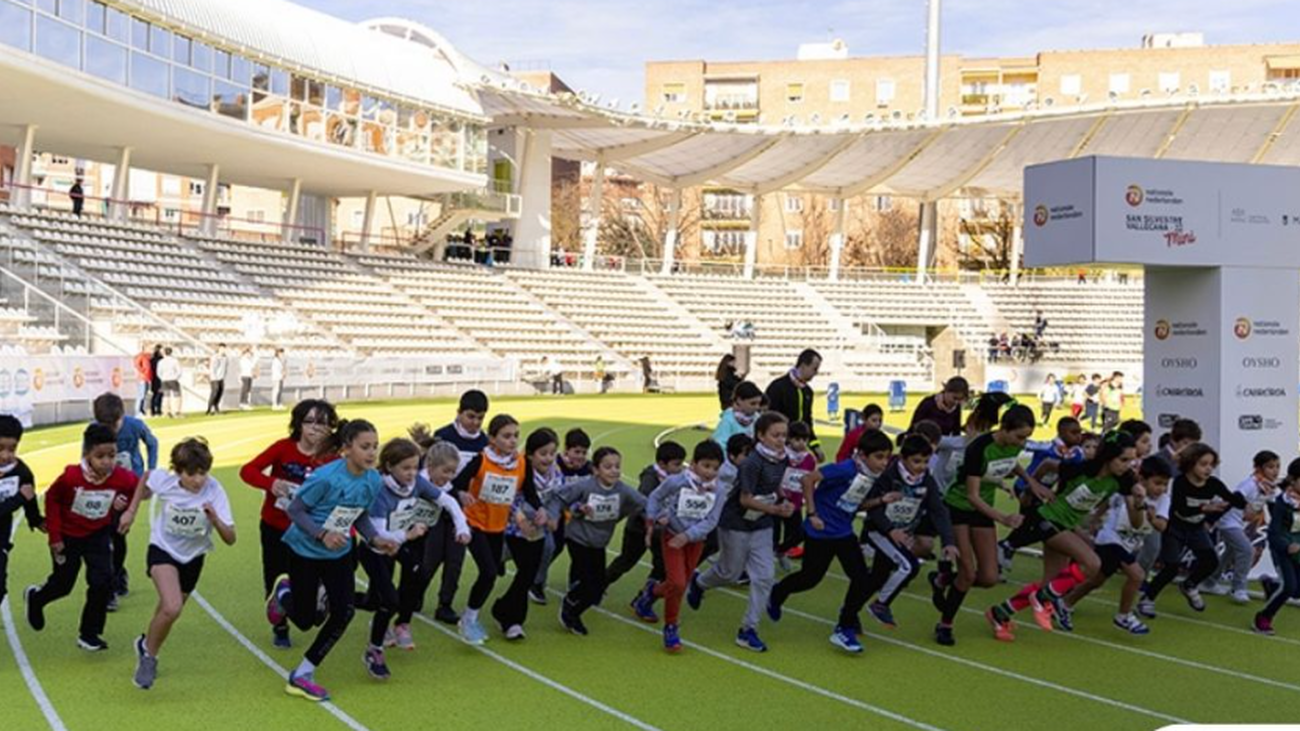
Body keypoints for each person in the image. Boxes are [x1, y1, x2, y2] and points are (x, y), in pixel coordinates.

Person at [266, 420, 397, 702]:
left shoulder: (373, 480)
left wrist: (375, 539)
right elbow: (296, 510)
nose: (372, 453)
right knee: (304, 620)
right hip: (305, 551)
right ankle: (283, 593)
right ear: (346, 449)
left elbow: (359, 515)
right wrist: (322, 534)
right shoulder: (326, 477)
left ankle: (302, 674)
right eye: (365, 447)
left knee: (344, 612)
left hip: (339, 553)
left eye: (375, 446)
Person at [985, 432, 1137, 641]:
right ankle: (1041, 600)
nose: (1128, 465)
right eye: (1124, 460)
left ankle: (1000, 613)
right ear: (1109, 456)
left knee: (1050, 583)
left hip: (1065, 526)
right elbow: (1047, 464)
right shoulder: (1080, 469)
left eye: (1132, 460)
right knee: (1092, 564)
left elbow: (1136, 519)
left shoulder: (1122, 481)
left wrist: (1139, 502)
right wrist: (1032, 487)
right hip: (1047, 519)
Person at [118, 438, 236, 689]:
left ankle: (144, 645)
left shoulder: (215, 490)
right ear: (178, 471)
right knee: (172, 607)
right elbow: (147, 477)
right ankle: (149, 658)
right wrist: (131, 511)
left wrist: (215, 520)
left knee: (167, 611)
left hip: (193, 557)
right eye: (191, 474)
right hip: (163, 550)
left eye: (202, 473)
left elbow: (230, 538)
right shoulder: (167, 481)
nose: (197, 480)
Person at [768, 430, 896, 654]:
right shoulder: (845, 469)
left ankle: (845, 624)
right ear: (863, 455)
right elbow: (808, 479)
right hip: (821, 532)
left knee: (861, 579)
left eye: (887, 457)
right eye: (879, 457)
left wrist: (881, 500)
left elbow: (854, 504)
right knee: (810, 579)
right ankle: (778, 593)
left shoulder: (869, 476)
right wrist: (813, 513)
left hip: (844, 533)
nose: (884, 463)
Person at [933, 400, 1045, 647]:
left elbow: (1011, 462)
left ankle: (944, 580)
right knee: (968, 573)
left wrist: (1030, 480)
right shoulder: (979, 448)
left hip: (982, 510)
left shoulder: (1013, 446)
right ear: (1004, 428)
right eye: (1019, 436)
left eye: (1027, 438)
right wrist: (1003, 518)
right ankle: (945, 624)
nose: (1022, 443)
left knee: (989, 577)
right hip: (959, 507)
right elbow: (972, 495)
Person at [359, 439, 467, 675]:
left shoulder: (416, 483)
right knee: (378, 601)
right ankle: (332, 595)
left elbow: (448, 501)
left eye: (415, 468)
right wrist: (407, 534)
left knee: (412, 579)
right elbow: (379, 535)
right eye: (405, 468)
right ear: (389, 467)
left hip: (402, 544)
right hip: (375, 550)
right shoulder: (380, 491)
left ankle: (377, 646)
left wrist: (462, 528)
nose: (411, 474)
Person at [25, 424, 137, 651]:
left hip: (98, 534)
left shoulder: (121, 478)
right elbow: (52, 499)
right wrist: (55, 537)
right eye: (100, 456)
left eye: (112, 455)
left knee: (102, 581)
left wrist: (124, 506)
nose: (107, 462)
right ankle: (37, 598)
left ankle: (89, 633)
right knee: (63, 585)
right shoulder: (71, 477)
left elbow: (138, 487)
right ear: (87, 455)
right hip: (67, 536)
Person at [688, 411, 791, 652]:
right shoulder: (751, 463)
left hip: (762, 524)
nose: (780, 440)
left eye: (784, 435)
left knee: (764, 576)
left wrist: (783, 499)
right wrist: (774, 509)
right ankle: (700, 583)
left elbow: (775, 483)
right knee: (729, 573)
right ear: (760, 436)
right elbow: (745, 500)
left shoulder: (782, 458)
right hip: (736, 522)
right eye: (775, 435)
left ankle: (748, 629)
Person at [240, 399, 340, 648]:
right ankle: (280, 625)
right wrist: (271, 484)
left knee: (308, 576)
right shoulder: (283, 449)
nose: (315, 428)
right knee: (275, 576)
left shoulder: (332, 458)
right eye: (309, 421)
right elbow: (248, 470)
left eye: (323, 423)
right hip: (276, 525)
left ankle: (312, 604)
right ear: (298, 424)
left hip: (309, 530)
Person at [1062, 456, 1172, 635]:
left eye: (1165, 484)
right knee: (1137, 575)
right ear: (1142, 479)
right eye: (1157, 483)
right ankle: (1124, 615)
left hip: (1128, 544)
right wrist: (1096, 519)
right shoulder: (1127, 492)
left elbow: (1162, 526)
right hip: (1110, 540)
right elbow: (1108, 501)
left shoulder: (1163, 500)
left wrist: (1151, 517)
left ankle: (1065, 602)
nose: (1161, 489)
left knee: (1096, 580)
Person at [634, 440, 726, 652]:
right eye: (705, 466)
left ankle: (651, 593)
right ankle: (671, 626)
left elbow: (712, 520)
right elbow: (656, 497)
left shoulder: (719, 490)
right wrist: (654, 518)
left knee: (680, 585)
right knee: (676, 582)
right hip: (671, 537)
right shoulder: (677, 482)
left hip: (694, 540)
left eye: (715, 468)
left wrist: (688, 536)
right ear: (693, 464)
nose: (710, 472)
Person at [548, 446, 647, 636]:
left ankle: (572, 602)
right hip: (578, 538)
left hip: (599, 542)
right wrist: (576, 509)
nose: (614, 471)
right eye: (608, 467)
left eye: (617, 466)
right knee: (588, 583)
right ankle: (571, 611)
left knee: (598, 588)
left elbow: (644, 503)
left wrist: (660, 516)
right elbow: (560, 496)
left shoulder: (622, 490)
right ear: (595, 469)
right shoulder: (585, 486)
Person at [861, 434, 957, 629]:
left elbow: (939, 511)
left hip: (901, 533)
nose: (921, 466)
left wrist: (948, 542)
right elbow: (874, 508)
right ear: (903, 458)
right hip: (879, 532)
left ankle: (848, 612)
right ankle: (880, 605)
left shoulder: (926, 481)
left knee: (876, 578)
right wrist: (890, 530)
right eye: (916, 461)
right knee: (909, 566)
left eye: (926, 461)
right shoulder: (887, 476)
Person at [1140, 444, 1247, 614]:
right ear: (1190, 464)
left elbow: (1234, 501)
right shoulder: (1180, 482)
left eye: (1211, 465)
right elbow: (1180, 509)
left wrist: (1239, 499)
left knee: (1211, 561)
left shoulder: (1213, 484)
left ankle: (1189, 585)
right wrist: (1205, 509)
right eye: (1203, 464)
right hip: (1175, 527)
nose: (1208, 469)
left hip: (1196, 528)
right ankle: (1148, 598)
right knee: (1171, 567)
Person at [449, 414, 526, 644]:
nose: (512, 441)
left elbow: (528, 489)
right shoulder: (480, 460)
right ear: (492, 439)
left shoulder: (520, 463)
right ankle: (469, 619)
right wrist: (461, 493)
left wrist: (538, 510)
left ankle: (470, 616)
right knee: (489, 571)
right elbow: (455, 485)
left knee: (490, 576)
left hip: (498, 526)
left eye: (515, 436)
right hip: (475, 522)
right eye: (506, 436)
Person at [419, 389, 490, 624]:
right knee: (431, 557)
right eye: (470, 416)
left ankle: (445, 604)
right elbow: (425, 470)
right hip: (439, 505)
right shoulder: (443, 436)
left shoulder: (484, 443)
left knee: (455, 560)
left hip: (464, 509)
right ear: (459, 413)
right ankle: (415, 594)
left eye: (480, 417)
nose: (475, 422)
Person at [91, 393, 158, 610]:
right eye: (105, 425)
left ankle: (115, 578)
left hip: (131, 486)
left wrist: (150, 473)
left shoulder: (135, 425)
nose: (110, 429)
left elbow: (152, 443)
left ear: (122, 415)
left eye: (114, 424)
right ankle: (114, 579)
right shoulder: (93, 430)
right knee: (104, 534)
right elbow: (85, 456)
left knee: (118, 533)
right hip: (105, 487)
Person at [490, 429, 553, 640]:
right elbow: (509, 494)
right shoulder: (518, 468)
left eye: (552, 453)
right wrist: (518, 518)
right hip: (514, 528)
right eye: (543, 453)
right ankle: (512, 620)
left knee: (527, 574)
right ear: (530, 454)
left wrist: (549, 514)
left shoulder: (555, 474)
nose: (548, 458)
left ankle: (505, 611)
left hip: (537, 530)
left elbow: (559, 497)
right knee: (525, 570)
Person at [605, 441, 685, 591]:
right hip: (638, 529)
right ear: (662, 464)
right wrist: (653, 518)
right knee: (626, 561)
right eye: (676, 464)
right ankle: (599, 585)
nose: (680, 468)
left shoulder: (675, 479)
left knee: (662, 565)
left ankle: (645, 595)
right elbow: (642, 503)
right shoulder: (650, 479)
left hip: (659, 531)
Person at [1207, 451, 1278, 603]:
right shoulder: (1250, 484)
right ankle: (1238, 588)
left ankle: (1209, 581)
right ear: (1258, 468)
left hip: (1238, 523)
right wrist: (1212, 520)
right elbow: (1233, 499)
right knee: (1247, 550)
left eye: (1277, 466)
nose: (1275, 470)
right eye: (1270, 467)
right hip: (1228, 522)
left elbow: (1272, 508)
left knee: (1230, 552)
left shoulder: (1269, 487)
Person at [532, 428, 592, 604]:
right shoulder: (556, 465)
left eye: (583, 452)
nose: (580, 456)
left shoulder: (589, 469)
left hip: (577, 518)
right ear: (566, 450)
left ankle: (576, 583)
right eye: (576, 452)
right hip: (555, 516)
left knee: (579, 550)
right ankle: (537, 581)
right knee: (552, 547)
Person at [0, 415, 42, 610]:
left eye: (12, 449)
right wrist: (18, 499)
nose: (6, 455)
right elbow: (23, 497)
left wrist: (39, 521)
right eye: (0, 448)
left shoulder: (22, 472)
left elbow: (30, 499)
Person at [1255, 460, 1300, 635]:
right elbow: (1274, 532)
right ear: (1292, 480)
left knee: (1296, 591)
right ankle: (1263, 618)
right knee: (1289, 587)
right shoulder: (1283, 503)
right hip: (1283, 550)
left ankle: (1272, 586)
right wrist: (1287, 546)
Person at [765, 348, 824, 461]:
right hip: (778, 448)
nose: (816, 373)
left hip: (799, 448)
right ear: (803, 365)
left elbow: (807, 421)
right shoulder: (777, 387)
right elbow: (769, 418)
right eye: (814, 369)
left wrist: (815, 446)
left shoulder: (808, 392)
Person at [776, 421, 816, 568]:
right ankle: (773, 554)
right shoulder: (782, 455)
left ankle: (781, 551)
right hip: (778, 500)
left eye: (804, 440)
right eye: (797, 439)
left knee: (797, 533)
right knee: (774, 532)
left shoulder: (809, 459)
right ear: (789, 439)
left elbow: (810, 480)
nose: (801, 443)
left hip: (796, 503)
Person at [712, 381, 762, 447]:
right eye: (753, 403)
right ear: (739, 400)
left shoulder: (758, 418)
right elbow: (720, 445)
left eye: (759, 403)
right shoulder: (728, 420)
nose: (757, 407)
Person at [157, 348, 182, 418]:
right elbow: (179, 371)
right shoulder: (175, 361)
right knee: (177, 396)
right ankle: (176, 411)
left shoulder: (161, 362)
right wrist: (176, 377)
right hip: (173, 379)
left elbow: (159, 372)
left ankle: (166, 411)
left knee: (166, 396)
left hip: (164, 380)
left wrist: (162, 378)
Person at [206, 344, 229, 416]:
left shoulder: (225, 358)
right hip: (215, 378)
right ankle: (209, 409)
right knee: (214, 393)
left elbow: (225, 368)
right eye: (222, 349)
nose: (223, 350)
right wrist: (214, 378)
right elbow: (213, 368)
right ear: (219, 349)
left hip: (221, 378)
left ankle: (216, 408)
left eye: (224, 349)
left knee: (220, 393)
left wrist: (223, 377)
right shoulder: (215, 357)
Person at [133, 344, 153, 416]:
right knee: (141, 395)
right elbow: (136, 364)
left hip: (146, 378)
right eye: (149, 348)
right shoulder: (141, 356)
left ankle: (141, 409)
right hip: (143, 378)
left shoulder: (146, 357)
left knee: (144, 395)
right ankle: (138, 411)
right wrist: (142, 371)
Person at [149, 345, 164, 417]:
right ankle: (157, 410)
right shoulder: (161, 360)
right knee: (159, 395)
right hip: (158, 378)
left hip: (154, 378)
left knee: (155, 394)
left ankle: (153, 410)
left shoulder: (152, 359)